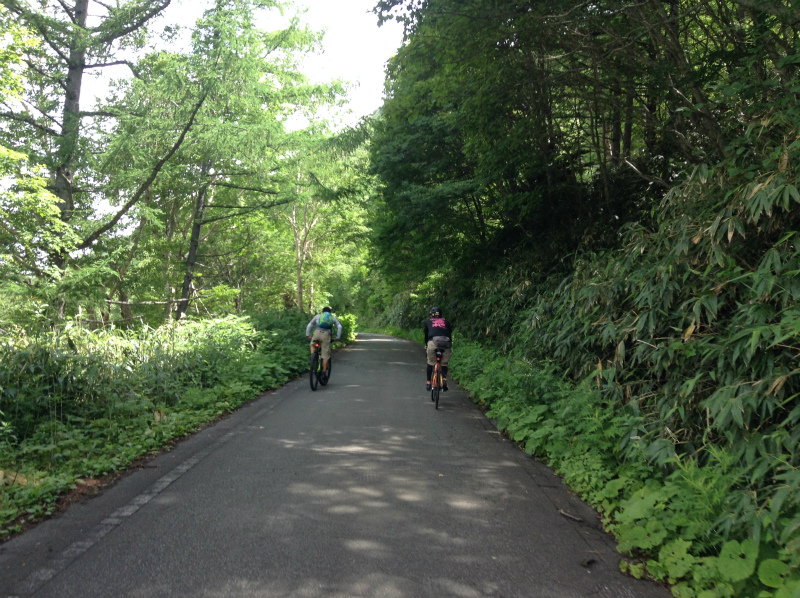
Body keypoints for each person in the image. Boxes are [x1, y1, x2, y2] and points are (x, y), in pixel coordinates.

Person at [305, 306, 342, 379]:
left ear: (322, 311)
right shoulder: (333, 318)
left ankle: (313, 359)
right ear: (330, 312)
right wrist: (338, 337)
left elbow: (310, 325)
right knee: (325, 354)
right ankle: (324, 373)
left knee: (312, 345)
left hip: (316, 333)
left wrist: (307, 335)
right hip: (326, 335)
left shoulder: (318, 316)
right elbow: (340, 327)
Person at [423, 306, 452, 392]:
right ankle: (444, 379)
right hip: (446, 343)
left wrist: (426, 345)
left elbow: (426, 335)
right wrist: (450, 344)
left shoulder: (428, 321)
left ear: (432, 315)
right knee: (444, 363)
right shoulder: (446, 321)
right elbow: (449, 334)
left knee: (430, 362)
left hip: (433, 342)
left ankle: (428, 382)